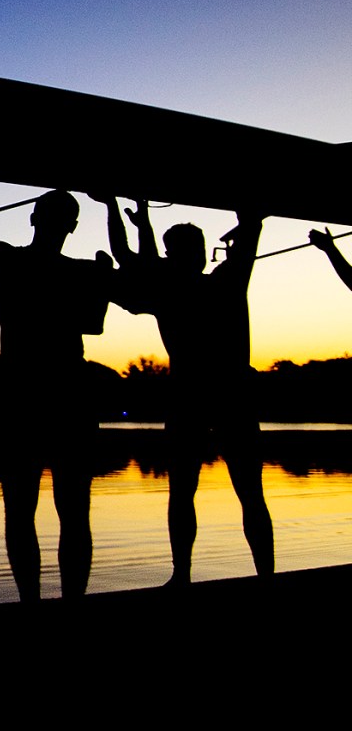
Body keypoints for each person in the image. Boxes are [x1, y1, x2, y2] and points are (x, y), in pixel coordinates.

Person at [0, 173, 114, 603]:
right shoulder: (82, 272)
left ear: (32, 218)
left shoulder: (8, 262)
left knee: (20, 513)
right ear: (72, 227)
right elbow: (93, 324)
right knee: (74, 513)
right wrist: (102, 279)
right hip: (69, 398)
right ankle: (73, 602)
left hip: (23, 400)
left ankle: (31, 601)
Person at [90, 192, 274, 585]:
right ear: (202, 253)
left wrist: (116, 209)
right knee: (249, 491)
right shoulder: (227, 280)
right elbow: (252, 230)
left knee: (183, 491)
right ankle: (265, 575)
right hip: (232, 394)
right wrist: (248, 223)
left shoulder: (168, 292)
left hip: (190, 395)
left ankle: (182, 575)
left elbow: (127, 254)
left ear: (172, 257)